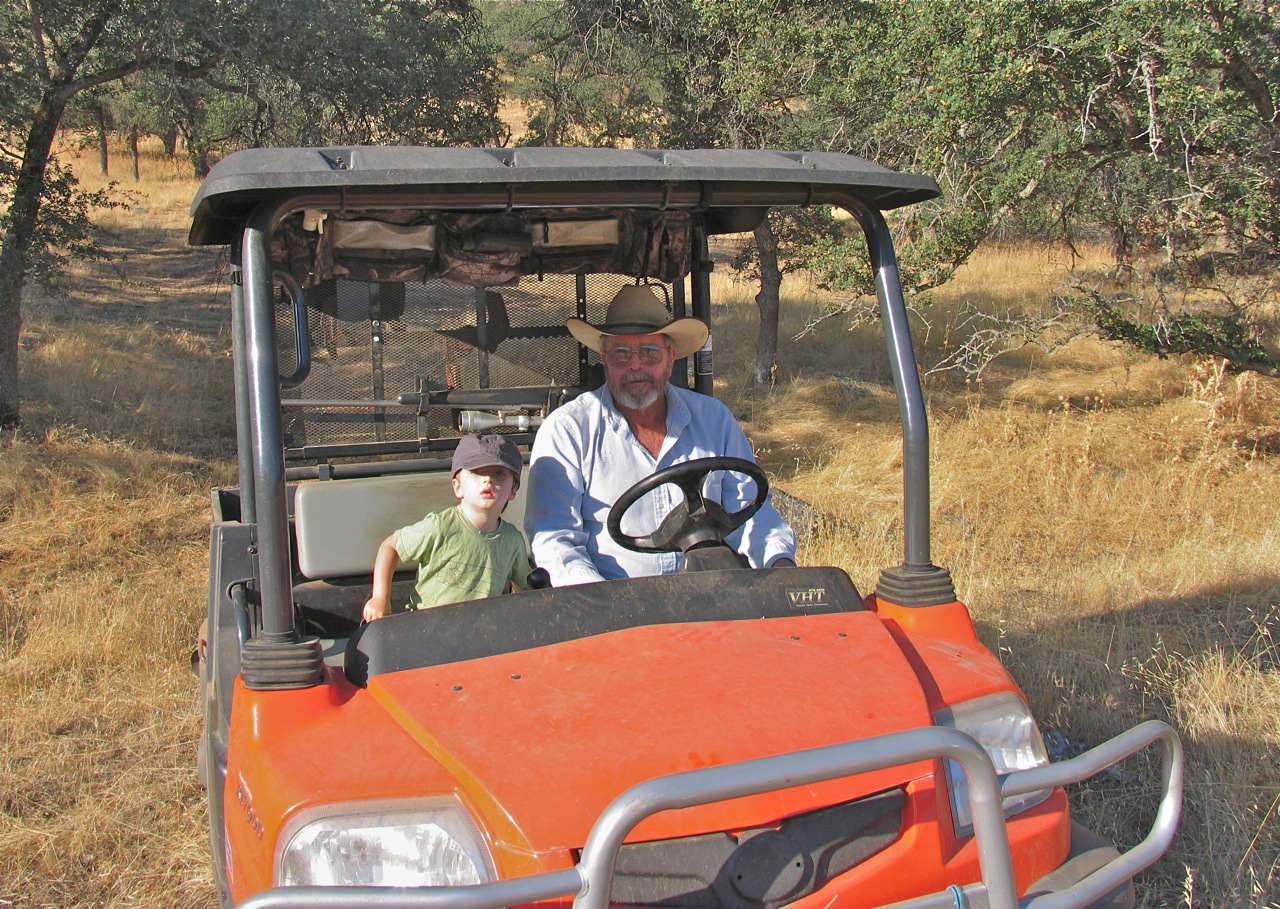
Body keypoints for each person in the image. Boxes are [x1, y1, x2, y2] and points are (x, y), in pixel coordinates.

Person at [525, 285, 796, 585]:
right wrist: (603, 601)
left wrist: (780, 563)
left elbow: (751, 512)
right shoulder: (568, 431)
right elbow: (554, 539)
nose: (635, 365)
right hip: (616, 601)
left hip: (713, 594)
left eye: (649, 352)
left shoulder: (714, 420)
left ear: (670, 357)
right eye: (621, 353)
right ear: (604, 359)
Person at [362, 433, 531, 621]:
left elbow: (523, 587)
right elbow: (390, 546)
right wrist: (380, 597)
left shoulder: (513, 540)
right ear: (457, 487)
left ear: (513, 489)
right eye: (476, 472)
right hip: (425, 627)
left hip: (482, 631)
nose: (487, 480)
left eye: (499, 473)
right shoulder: (439, 527)